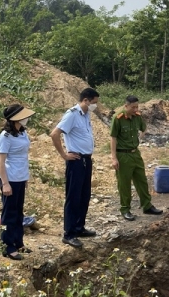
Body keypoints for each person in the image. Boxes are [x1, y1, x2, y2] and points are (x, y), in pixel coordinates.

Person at [50, 88, 99, 248]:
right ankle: (69, 233)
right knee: (73, 197)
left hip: (86, 160)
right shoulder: (71, 114)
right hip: (76, 161)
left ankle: (79, 227)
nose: (95, 106)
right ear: (86, 100)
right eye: (94, 103)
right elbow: (55, 134)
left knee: (84, 195)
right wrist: (64, 155)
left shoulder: (85, 115)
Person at [110, 95, 163, 221]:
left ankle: (147, 205)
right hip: (123, 155)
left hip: (135, 154)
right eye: (133, 107)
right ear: (126, 106)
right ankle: (125, 209)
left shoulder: (137, 117)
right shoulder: (118, 118)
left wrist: (140, 136)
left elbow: (143, 128)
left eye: (137, 107)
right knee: (124, 184)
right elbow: (113, 138)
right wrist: (113, 158)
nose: (135, 109)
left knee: (142, 181)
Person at [0, 104, 35, 260]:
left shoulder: (22, 133)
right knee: (9, 214)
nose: (26, 118)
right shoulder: (5, 136)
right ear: (15, 118)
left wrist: (25, 177)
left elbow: (23, 157)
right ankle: (8, 246)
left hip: (20, 178)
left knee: (19, 212)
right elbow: (1, 161)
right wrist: (5, 183)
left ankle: (19, 242)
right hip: (10, 179)